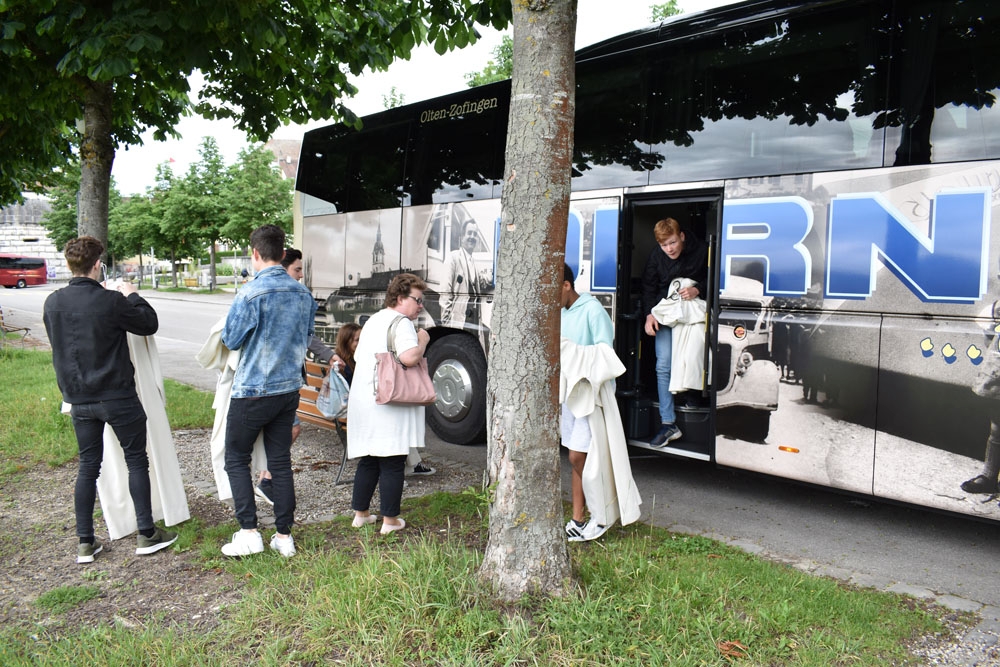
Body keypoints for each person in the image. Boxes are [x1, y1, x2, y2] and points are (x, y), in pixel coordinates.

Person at [43, 236, 178, 564]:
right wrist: (132, 294)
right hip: (117, 395)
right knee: (136, 461)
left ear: (69, 265)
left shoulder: (52, 302)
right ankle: (147, 533)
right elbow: (148, 324)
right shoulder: (110, 301)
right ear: (97, 265)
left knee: (88, 466)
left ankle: (85, 542)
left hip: (78, 398)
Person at [219, 226, 317, 558]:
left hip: (253, 389)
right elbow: (306, 337)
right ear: (282, 253)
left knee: (236, 458)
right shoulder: (303, 294)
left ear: (256, 254)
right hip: (288, 389)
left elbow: (231, 339)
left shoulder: (249, 293)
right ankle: (284, 537)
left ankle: (249, 532)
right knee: (280, 461)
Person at [347, 273, 430, 534]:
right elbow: (409, 357)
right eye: (417, 300)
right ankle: (390, 521)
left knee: (370, 458)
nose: (421, 306)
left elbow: (359, 357)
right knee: (393, 459)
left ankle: (361, 514)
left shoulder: (374, 319)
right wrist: (423, 341)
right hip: (389, 401)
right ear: (400, 298)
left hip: (366, 397)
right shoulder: (401, 322)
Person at [254, 248, 335, 505]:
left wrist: (329, 355)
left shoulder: (281, 296)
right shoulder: (284, 299)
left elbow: (305, 335)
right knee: (290, 428)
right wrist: (329, 355)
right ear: (282, 268)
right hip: (273, 381)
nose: (301, 275)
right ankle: (266, 480)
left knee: (280, 430)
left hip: (276, 381)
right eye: (297, 269)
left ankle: (265, 478)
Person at [560, 264, 615, 542]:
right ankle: (577, 518)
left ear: (566, 285)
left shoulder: (593, 310)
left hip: (590, 394)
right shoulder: (560, 312)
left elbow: (606, 352)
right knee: (575, 454)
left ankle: (602, 512)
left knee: (578, 456)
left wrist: (573, 353)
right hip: (568, 394)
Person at [642, 218, 708, 448]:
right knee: (663, 365)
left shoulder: (701, 249)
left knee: (690, 357)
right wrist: (649, 315)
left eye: (672, 242)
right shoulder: (656, 256)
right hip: (665, 314)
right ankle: (668, 423)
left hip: (692, 314)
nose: (669, 249)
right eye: (664, 245)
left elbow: (716, 277)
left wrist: (698, 289)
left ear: (682, 236)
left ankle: (693, 397)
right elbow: (648, 287)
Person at [440, 219, 487, 328]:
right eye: (469, 233)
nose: (472, 237)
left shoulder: (474, 264)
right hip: (458, 321)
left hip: (473, 321)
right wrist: (446, 323)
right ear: (462, 237)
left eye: (475, 234)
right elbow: (445, 292)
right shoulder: (453, 258)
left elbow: (483, 282)